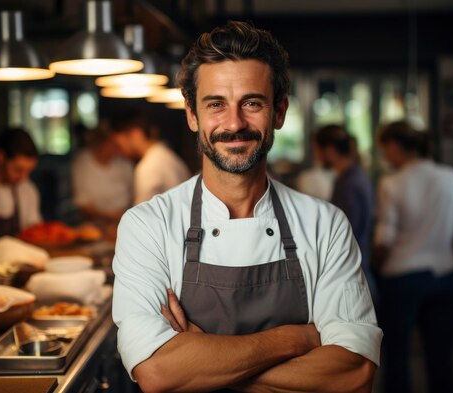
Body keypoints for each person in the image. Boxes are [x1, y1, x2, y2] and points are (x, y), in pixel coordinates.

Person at [112, 21, 382, 392]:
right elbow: (158, 374)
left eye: (252, 103)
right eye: (216, 104)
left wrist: (204, 362)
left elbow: (353, 374)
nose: (234, 123)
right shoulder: (147, 226)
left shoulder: (325, 224)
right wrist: (295, 340)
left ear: (279, 112)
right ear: (192, 115)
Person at [374, 121, 453, 393]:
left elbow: (384, 241)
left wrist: (373, 266)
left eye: (384, 149)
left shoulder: (391, 183)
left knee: (398, 355)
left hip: (402, 278)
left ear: (395, 145)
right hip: (445, 274)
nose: (384, 156)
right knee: (440, 355)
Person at [314, 124, 376, 299]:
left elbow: (348, 232)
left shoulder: (348, 184)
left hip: (354, 277)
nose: (317, 157)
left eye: (317, 150)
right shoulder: (355, 175)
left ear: (330, 150)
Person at [110, 110, 190, 205]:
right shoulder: (165, 155)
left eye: (119, 145)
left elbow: (142, 215)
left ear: (136, 134)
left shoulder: (149, 166)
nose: (120, 151)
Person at [71, 122, 134, 222]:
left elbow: (134, 194)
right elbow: (83, 204)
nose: (116, 149)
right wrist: (109, 216)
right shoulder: (83, 162)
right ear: (101, 143)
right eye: (112, 144)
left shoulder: (124, 163)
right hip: (94, 224)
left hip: (125, 221)